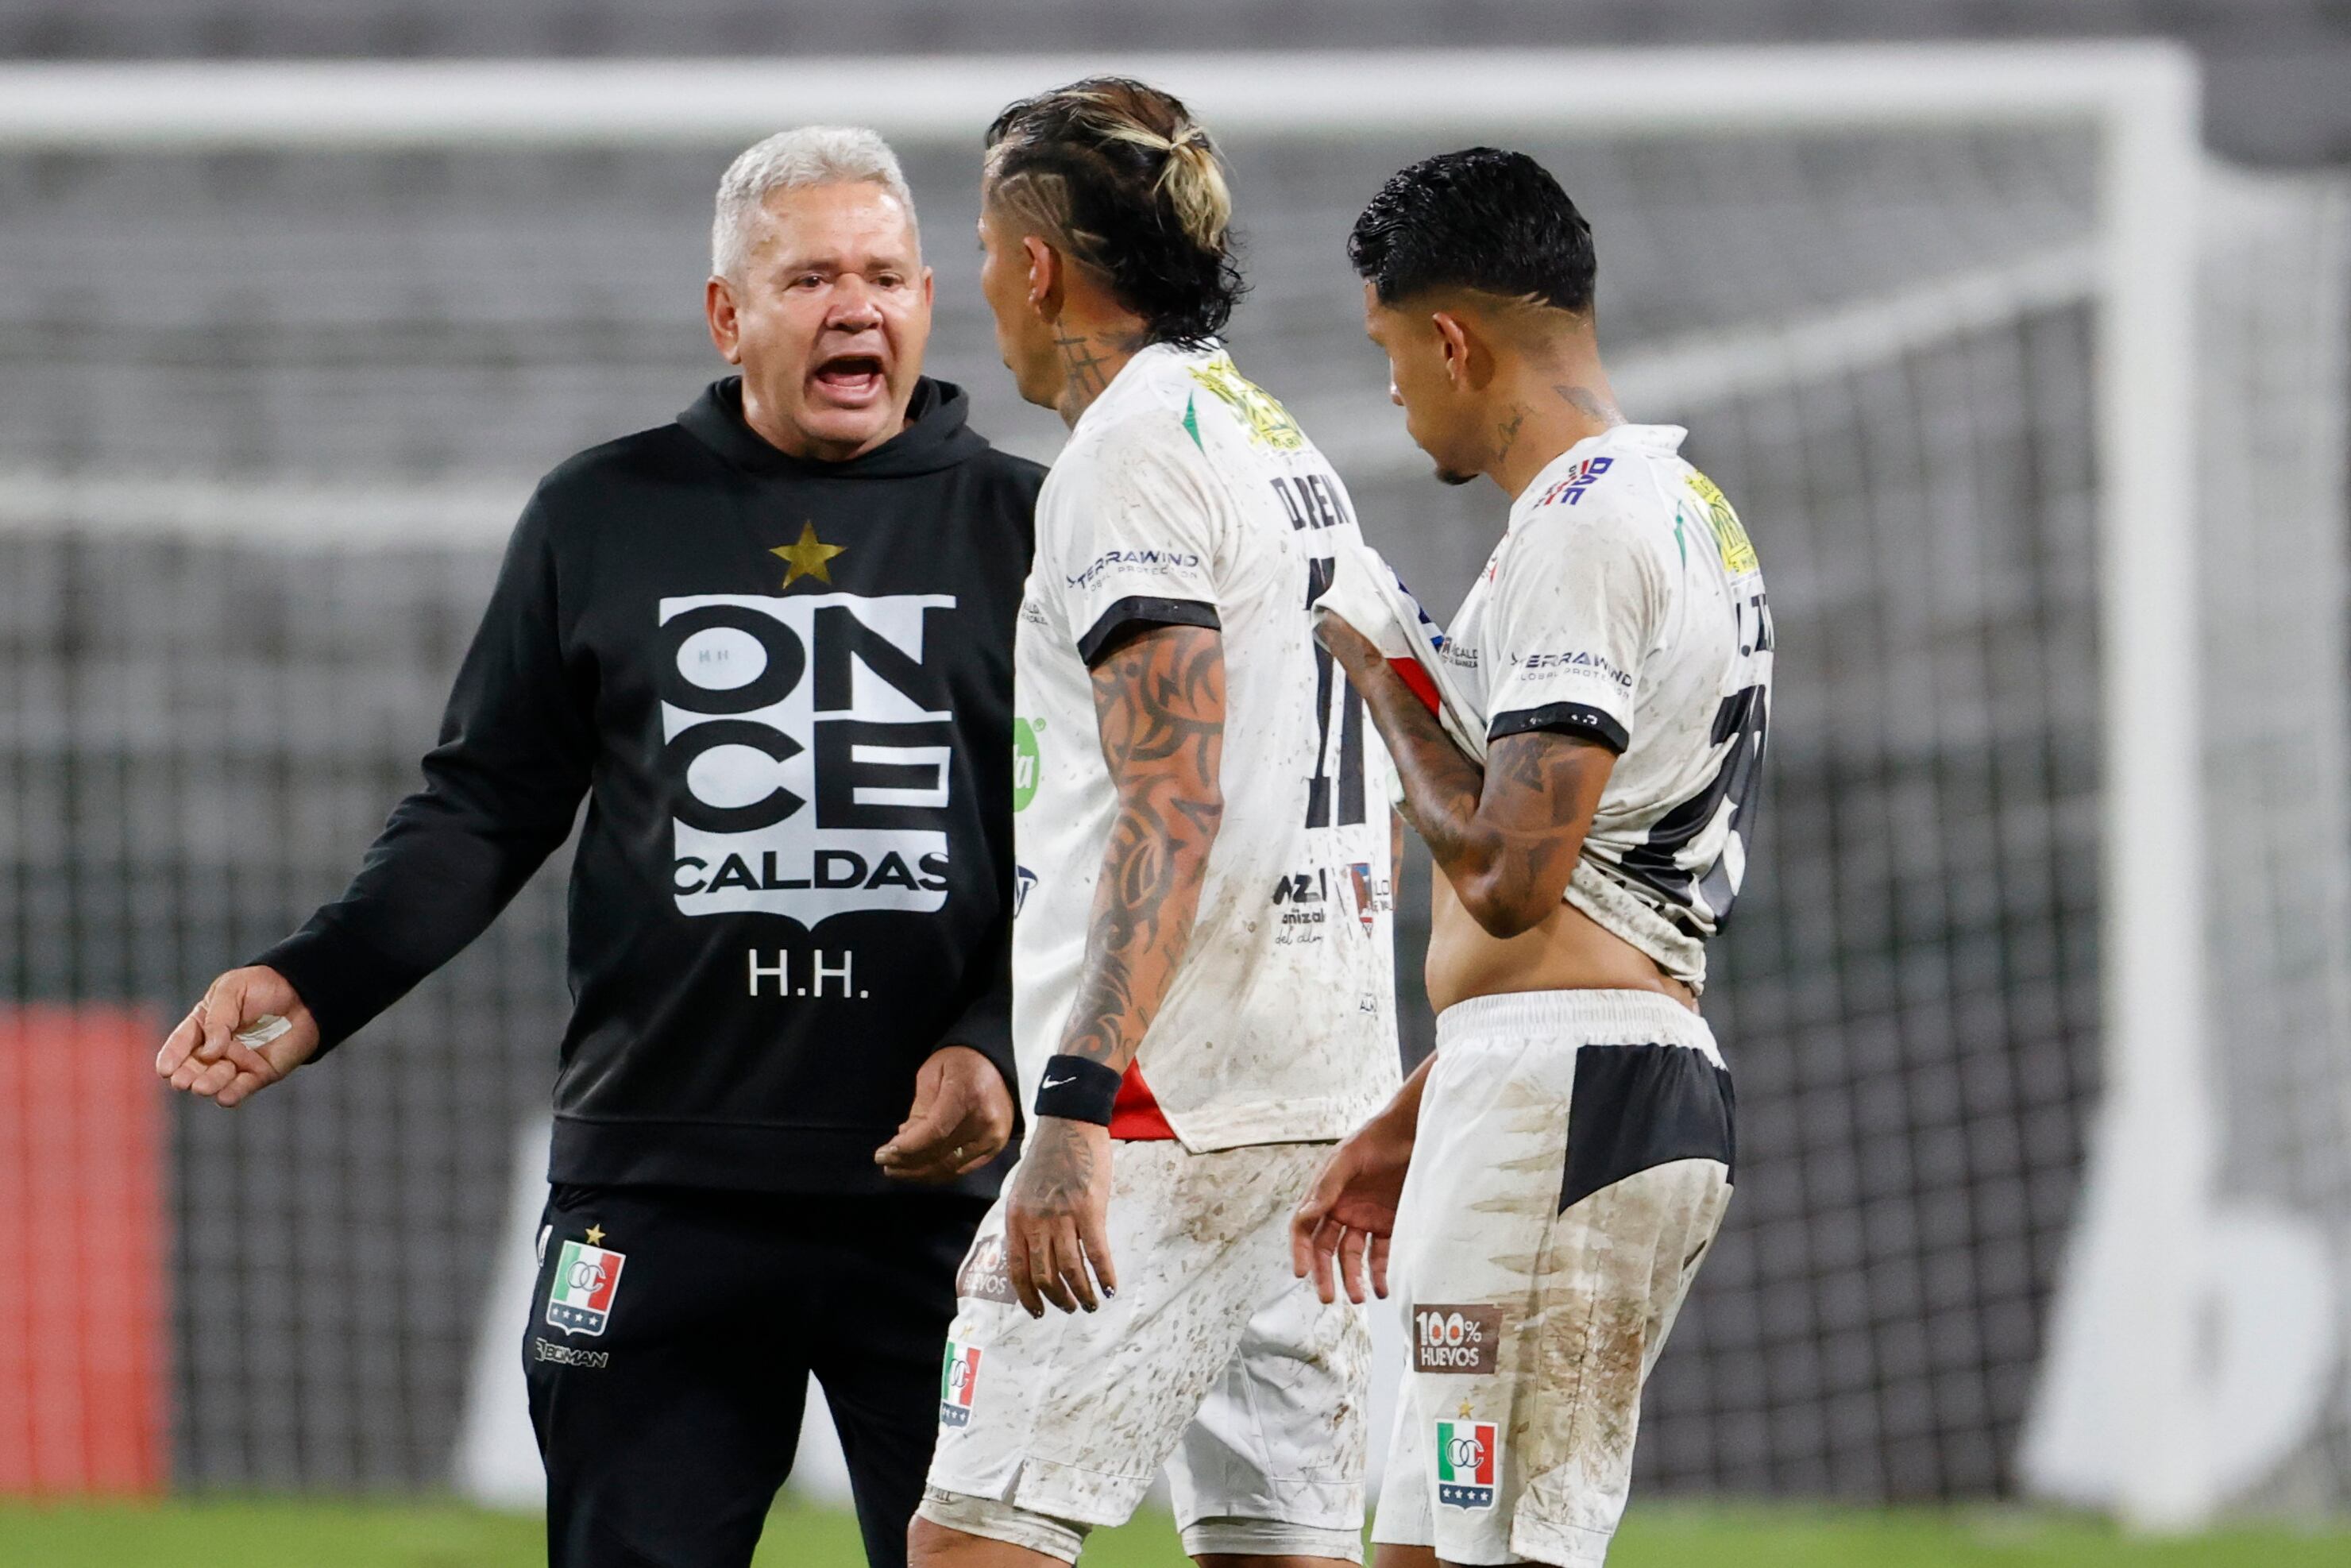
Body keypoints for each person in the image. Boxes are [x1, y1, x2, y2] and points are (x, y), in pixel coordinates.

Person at [152, 126, 1043, 1568]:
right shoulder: (602, 513)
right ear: (727, 311)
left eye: (884, 274)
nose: (855, 306)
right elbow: (483, 803)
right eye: (810, 274)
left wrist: (997, 1037)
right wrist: (317, 981)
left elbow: (1105, 843)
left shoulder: (1029, 525)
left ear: (930, 297)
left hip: (945, 1203)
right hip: (664, 1182)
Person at [909, 79, 1400, 1568]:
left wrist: (1073, 1102)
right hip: (1322, 1085)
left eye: (986, 248)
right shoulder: (1275, 436)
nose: (979, 284)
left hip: (1162, 1101)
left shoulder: (1127, 454)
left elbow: (1169, 800)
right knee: (1281, 1544)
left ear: (1041, 266)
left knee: (977, 1541)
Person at [1290, 149, 1772, 1568]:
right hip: (1595, 1067)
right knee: (1460, 1547)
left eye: (1391, 352)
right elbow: (1610, 888)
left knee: (1450, 1557)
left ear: (1452, 339)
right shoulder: (1687, 512)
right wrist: (1418, 1107)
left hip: (1562, 1090)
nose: (1394, 389)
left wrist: (1382, 673)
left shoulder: (1581, 525)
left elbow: (1513, 876)